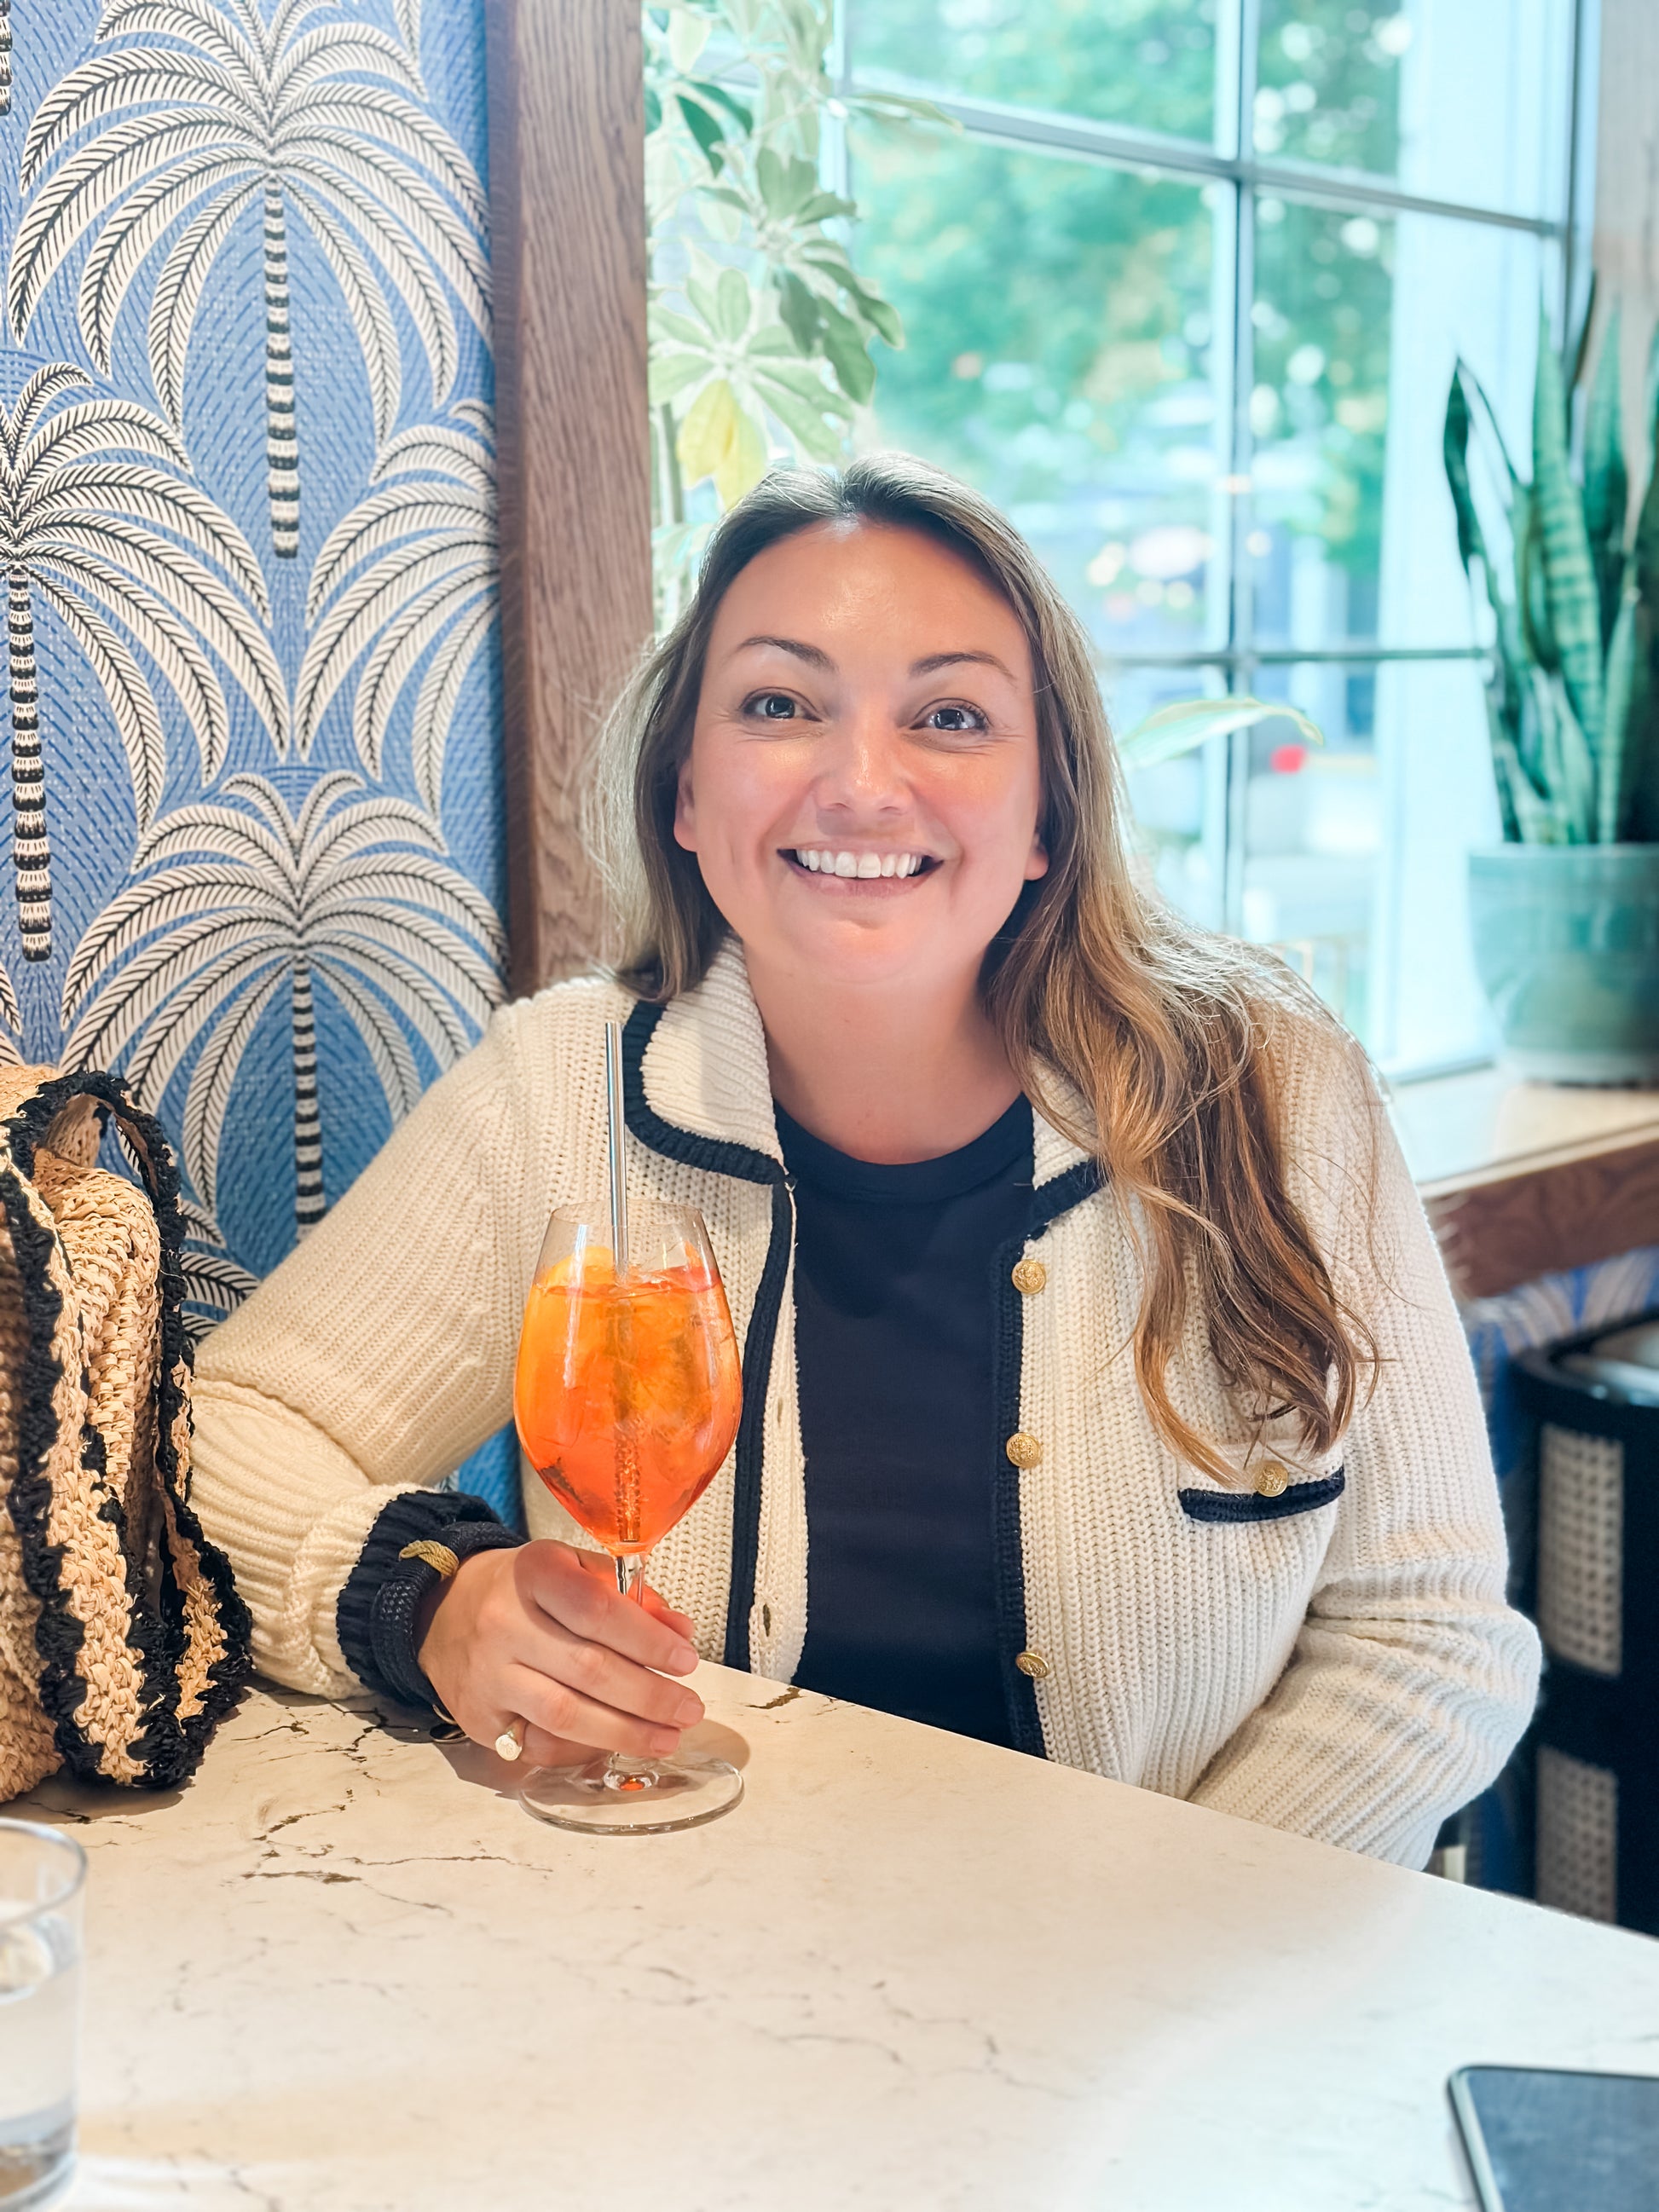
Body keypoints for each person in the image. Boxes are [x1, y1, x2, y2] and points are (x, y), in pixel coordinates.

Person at [190, 455, 1540, 1868]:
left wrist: (1151, 1950)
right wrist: (426, 1601)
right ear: (686, 797)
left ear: (1044, 818)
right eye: (780, 704)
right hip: (704, 1987)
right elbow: (229, 1435)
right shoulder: (555, 1093)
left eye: (949, 716)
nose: (860, 783)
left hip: (1187, 2019)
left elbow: (1428, 1633)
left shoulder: (1267, 1086)